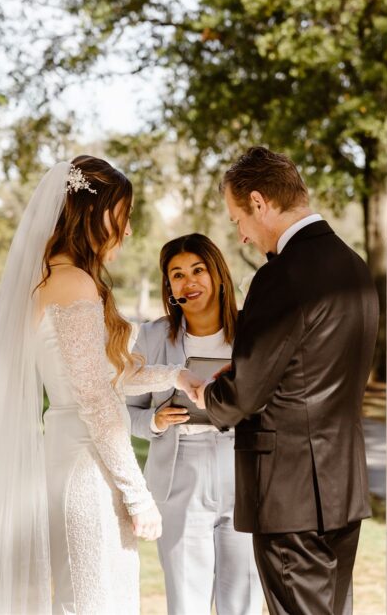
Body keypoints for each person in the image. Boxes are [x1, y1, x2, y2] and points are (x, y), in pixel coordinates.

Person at [0, 157, 204, 615]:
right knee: (93, 601)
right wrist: (139, 496)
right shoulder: (72, 283)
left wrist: (177, 375)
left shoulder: (54, 277)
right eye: (123, 214)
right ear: (93, 214)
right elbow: (97, 400)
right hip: (88, 468)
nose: (128, 229)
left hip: (75, 455)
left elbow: (105, 377)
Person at [189, 146, 379, 615]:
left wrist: (208, 394)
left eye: (238, 220)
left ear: (259, 202)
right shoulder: (354, 267)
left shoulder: (281, 276)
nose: (243, 235)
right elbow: (320, 365)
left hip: (289, 493)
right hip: (342, 486)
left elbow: (244, 395)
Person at [127, 234, 262, 615]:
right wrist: (153, 421)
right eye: (178, 275)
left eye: (198, 270)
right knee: (187, 602)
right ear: (169, 288)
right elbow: (124, 411)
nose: (190, 282)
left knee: (245, 600)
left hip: (243, 467)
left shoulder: (252, 331)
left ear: (218, 274)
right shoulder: (152, 337)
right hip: (178, 474)